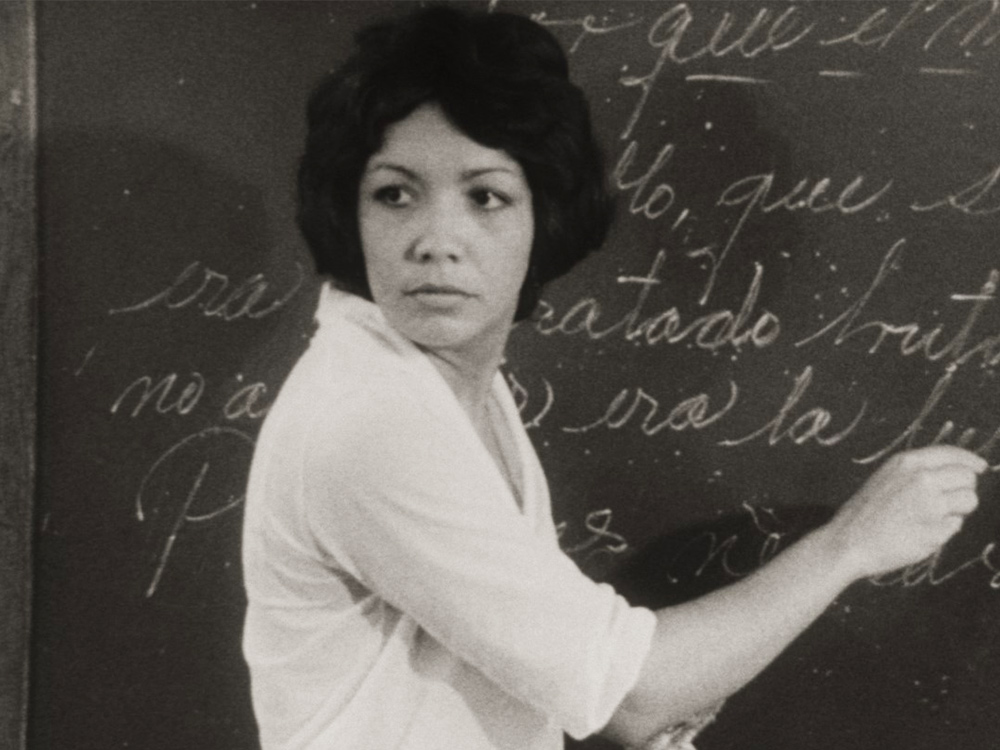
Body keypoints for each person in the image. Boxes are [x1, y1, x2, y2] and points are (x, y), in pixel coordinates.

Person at [240, 6, 987, 750]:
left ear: (545, 218)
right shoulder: (374, 419)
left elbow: (531, 671)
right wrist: (850, 545)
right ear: (350, 210)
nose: (437, 242)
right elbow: (631, 698)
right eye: (395, 194)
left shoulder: (447, 378)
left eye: (485, 196)